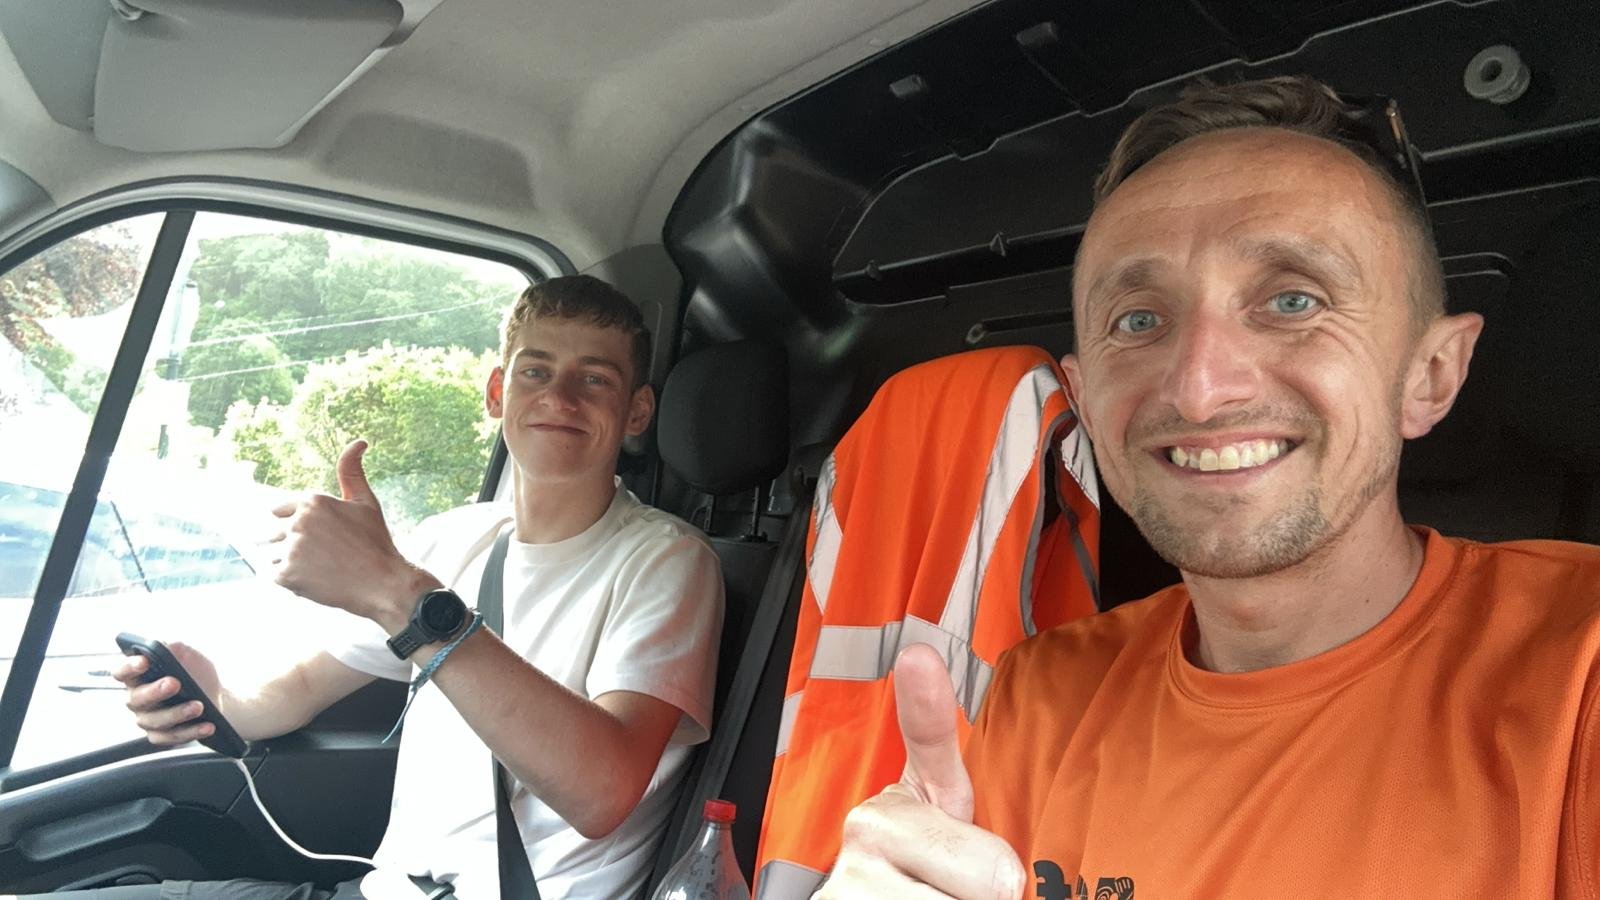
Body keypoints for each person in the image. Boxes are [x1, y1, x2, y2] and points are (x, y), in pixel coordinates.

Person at [817, 76, 1599, 898]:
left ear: (1431, 375)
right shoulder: (1041, 693)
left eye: (1293, 300)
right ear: (1083, 401)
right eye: (1140, 320)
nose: (1197, 389)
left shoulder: (1575, 673)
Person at [106, 275, 724, 899]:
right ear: (496, 391)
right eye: (535, 372)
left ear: (637, 411)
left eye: (594, 379)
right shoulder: (453, 539)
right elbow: (297, 690)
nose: (560, 397)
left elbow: (603, 792)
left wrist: (399, 592)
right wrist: (209, 698)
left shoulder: (668, 562)